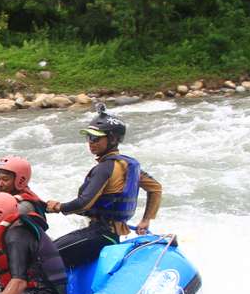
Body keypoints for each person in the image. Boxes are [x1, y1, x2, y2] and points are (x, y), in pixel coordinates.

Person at [45, 104, 163, 268]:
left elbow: (82, 204)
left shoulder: (105, 168)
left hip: (99, 235)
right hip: (111, 235)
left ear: (113, 139)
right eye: (89, 138)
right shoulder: (128, 166)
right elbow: (155, 188)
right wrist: (146, 220)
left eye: (96, 138)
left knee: (45, 258)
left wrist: (57, 207)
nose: (91, 143)